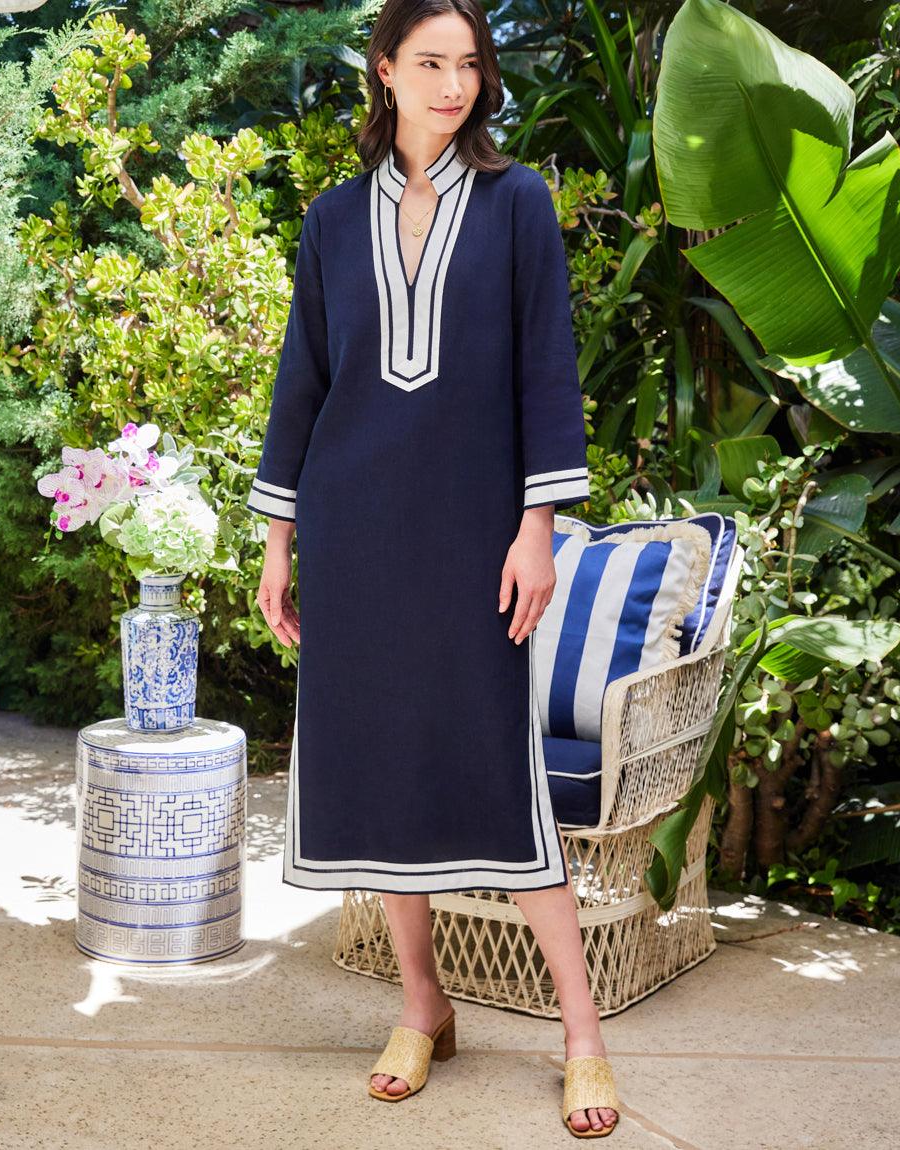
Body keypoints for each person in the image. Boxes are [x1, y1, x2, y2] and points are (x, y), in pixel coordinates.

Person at [247, 0, 619, 1137]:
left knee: (494, 775)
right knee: (385, 777)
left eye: (469, 64)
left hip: (472, 539)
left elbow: (547, 374)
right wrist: (276, 539)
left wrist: (536, 528)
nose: (454, 84)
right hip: (355, 533)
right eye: (431, 63)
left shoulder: (516, 206)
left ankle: (582, 1035)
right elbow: (302, 385)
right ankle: (423, 1006)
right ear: (385, 71)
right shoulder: (328, 219)